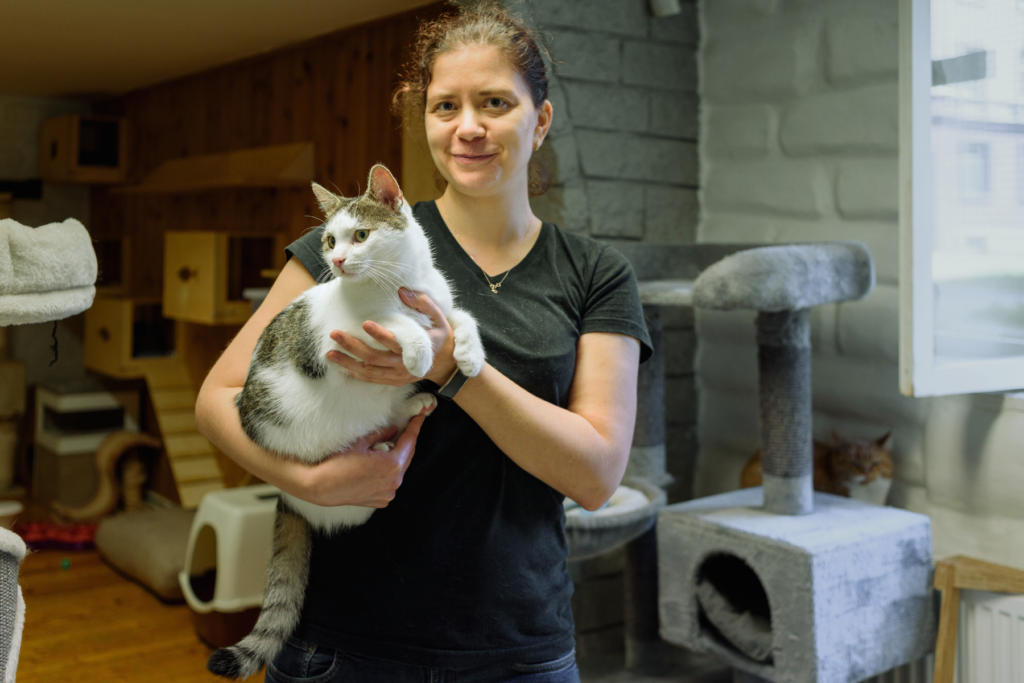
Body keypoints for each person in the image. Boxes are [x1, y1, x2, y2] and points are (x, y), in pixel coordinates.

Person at [194, 4, 653, 682]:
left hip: (519, 650)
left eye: (495, 102)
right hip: (343, 645)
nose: (468, 127)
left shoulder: (595, 273)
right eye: (445, 107)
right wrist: (308, 481)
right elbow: (217, 398)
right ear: (426, 120)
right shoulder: (352, 246)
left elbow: (596, 476)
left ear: (540, 120)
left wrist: (452, 368)